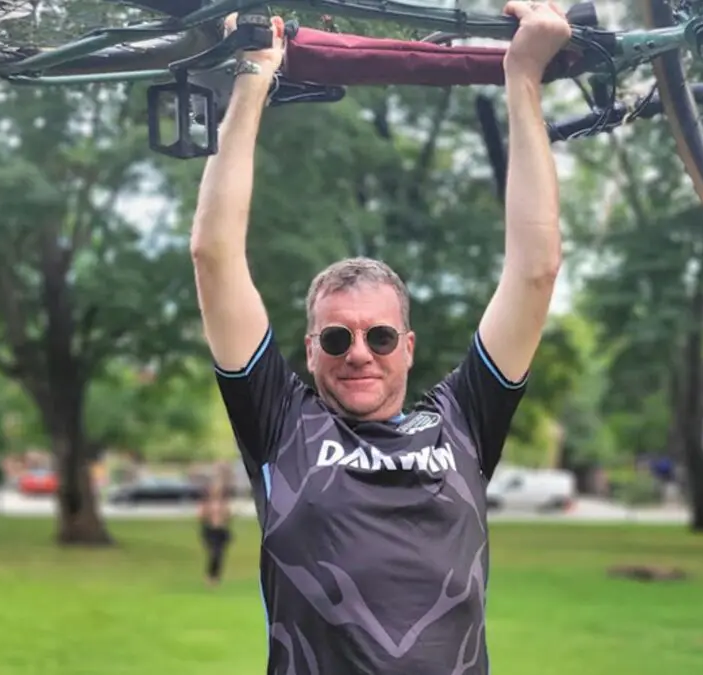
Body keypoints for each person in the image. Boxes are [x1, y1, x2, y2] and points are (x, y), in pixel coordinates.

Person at [190, 2, 569, 672]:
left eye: (380, 336)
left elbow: (535, 269)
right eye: (335, 339)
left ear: (409, 346)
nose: (359, 351)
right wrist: (252, 79)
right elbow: (214, 256)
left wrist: (523, 78)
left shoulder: (464, 423)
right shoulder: (281, 426)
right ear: (310, 350)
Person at [197, 462, 234, 587]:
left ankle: (215, 577)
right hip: (210, 530)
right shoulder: (207, 502)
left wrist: (225, 515)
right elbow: (201, 516)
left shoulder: (223, 503)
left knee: (219, 554)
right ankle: (210, 576)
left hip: (221, 531)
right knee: (213, 553)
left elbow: (228, 516)